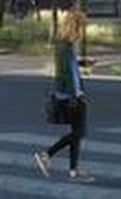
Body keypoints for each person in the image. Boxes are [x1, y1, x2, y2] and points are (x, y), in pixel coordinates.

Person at [34, 9, 93, 182]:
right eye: (80, 26)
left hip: (68, 94)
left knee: (77, 133)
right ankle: (47, 154)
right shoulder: (65, 47)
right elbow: (66, 74)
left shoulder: (64, 45)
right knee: (78, 133)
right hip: (71, 96)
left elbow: (68, 67)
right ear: (73, 27)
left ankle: (73, 172)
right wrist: (76, 95)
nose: (82, 31)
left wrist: (82, 62)